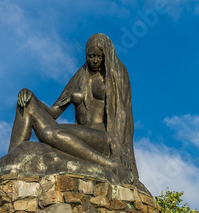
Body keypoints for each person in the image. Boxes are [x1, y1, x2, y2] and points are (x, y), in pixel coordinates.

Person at [8, 33, 138, 184]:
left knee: (49, 133)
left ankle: (111, 165)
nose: (95, 61)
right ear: (86, 55)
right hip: (78, 137)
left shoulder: (116, 72)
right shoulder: (80, 76)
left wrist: (123, 149)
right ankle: (11, 160)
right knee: (26, 104)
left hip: (104, 139)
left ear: (105, 56)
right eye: (91, 56)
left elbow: (123, 114)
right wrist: (32, 97)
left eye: (99, 57)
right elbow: (54, 112)